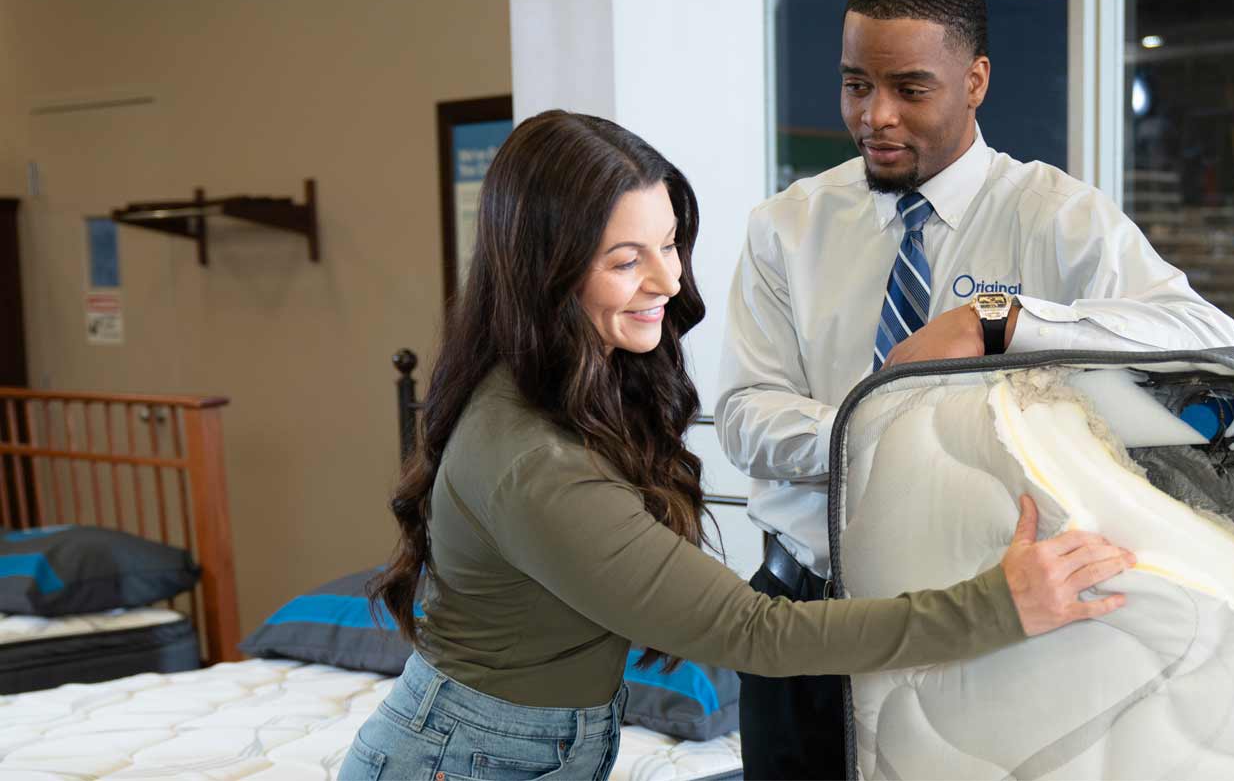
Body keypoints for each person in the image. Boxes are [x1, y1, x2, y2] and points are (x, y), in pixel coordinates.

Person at [339, 110, 1134, 781]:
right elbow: (754, 631)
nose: (668, 280)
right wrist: (997, 605)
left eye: (669, 243)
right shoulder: (531, 460)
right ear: (546, 272)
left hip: (520, 747)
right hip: (460, 759)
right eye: (627, 259)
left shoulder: (576, 386)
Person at [716, 0, 1234, 777]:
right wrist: (891, 433)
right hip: (805, 624)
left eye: (908, 88)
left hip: (985, 627)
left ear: (976, 80)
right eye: (857, 85)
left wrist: (1000, 321)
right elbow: (748, 414)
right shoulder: (786, 228)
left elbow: (1206, 334)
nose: (874, 116)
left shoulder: (1055, 217)